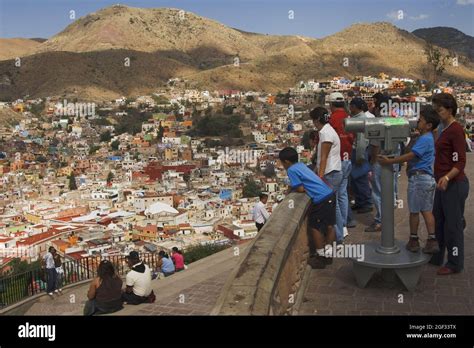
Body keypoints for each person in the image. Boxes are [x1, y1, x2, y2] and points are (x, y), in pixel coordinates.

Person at [378, 105, 440, 254]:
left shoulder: (426, 139)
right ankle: (428, 240)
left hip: (419, 179)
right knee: (425, 210)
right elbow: (409, 150)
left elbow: (410, 156)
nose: (417, 122)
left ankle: (416, 240)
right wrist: (412, 139)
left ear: (429, 125)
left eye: (421, 120)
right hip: (423, 178)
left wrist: (390, 161)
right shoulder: (424, 138)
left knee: (416, 211)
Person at [430, 93, 469, 275]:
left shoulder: (455, 130)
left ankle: (454, 262)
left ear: (449, 109)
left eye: (440, 110)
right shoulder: (443, 129)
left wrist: (446, 177)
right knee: (439, 220)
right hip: (442, 183)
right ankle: (438, 254)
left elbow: (460, 162)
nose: (438, 114)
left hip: (453, 184)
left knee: (452, 226)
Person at [278, 147, 336, 269]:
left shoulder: (291, 170)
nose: (282, 165)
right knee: (330, 226)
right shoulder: (301, 165)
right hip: (329, 193)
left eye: (282, 162)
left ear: (286, 162)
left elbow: (300, 189)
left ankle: (320, 258)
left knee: (315, 228)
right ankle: (329, 255)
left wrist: (291, 189)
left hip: (320, 199)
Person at [310, 106, 343, 244]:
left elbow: (323, 157)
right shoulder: (328, 130)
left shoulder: (325, 133)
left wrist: (319, 178)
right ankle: (339, 236)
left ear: (317, 119)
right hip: (333, 172)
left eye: (313, 120)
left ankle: (338, 237)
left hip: (331, 173)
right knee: (334, 207)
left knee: (331, 209)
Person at [328, 92, 356, 235]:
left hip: (336, 161)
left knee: (335, 196)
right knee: (343, 194)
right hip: (348, 159)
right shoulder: (349, 117)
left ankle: (339, 228)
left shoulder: (332, 119)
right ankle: (344, 224)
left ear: (331, 104)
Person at [348, 98, 373, 215]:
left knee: (361, 179)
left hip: (359, 152)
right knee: (355, 179)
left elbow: (362, 141)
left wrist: (359, 156)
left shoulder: (361, 120)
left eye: (351, 106)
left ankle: (367, 203)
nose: (349, 108)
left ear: (354, 107)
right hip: (357, 151)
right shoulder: (357, 118)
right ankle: (359, 201)